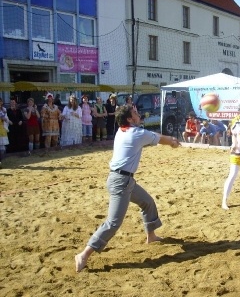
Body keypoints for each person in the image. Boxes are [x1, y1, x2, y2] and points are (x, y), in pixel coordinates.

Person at [74, 104, 181, 273]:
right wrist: (173, 142)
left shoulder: (121, 130)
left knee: (148, 203)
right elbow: (162, 139)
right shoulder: (137, 133)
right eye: (135, 113)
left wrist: (169, 141)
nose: (139, 114)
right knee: (113, 223)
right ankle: (84, 254)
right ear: (130, 119)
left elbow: (156, 136)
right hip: (121, 181)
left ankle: (151, 236)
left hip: (124, 180)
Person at [0, 98, 9, 166]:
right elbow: (3, 117)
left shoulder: (3, 109)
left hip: (2, 128)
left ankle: (2, 161)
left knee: (2, 145)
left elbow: (5, 118)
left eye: (0, 101)